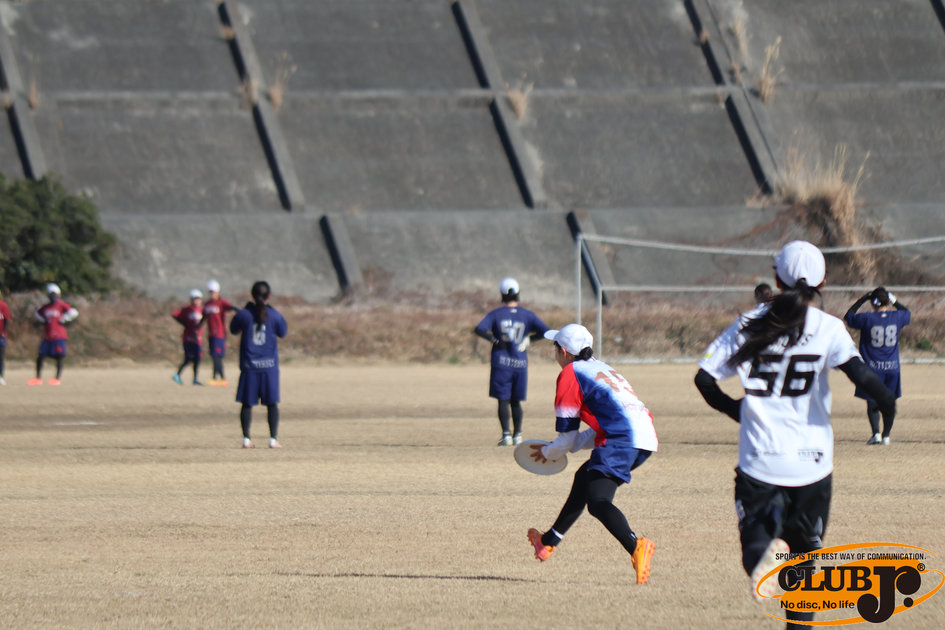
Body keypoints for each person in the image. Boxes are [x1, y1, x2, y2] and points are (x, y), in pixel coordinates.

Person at [694, 241, 896, 629]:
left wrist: (738, 410)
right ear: (823, 281)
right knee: (805, 572)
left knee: (756, 548)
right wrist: (888, 406)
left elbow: (704, 379)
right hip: (813, 467)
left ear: (776, 278)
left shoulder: (749, 323)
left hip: (761, 462)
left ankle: (767, 552)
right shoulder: (828, 327)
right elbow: (865, 378)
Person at [526, 323, 658, 585]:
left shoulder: (570, 374)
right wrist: (567, 446)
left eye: (555, 349)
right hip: (644, 438)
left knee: (598, 502)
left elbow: (566, 436)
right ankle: (548, 542)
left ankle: (637, 546)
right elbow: (596, 428)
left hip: (622, 439)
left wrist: (549, 452)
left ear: (563, 352)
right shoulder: (602, 368)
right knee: (584, 477)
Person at [474, 277, 549, 446]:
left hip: (501, 363)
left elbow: (479, 329)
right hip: (520, 364)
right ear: (518, 293)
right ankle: (518, 435)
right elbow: (546, 331)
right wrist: (529, 339)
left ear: (502, 295)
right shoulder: (527, 315)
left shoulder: (496, 314)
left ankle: (506, 435)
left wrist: (494, 340)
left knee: (503, 399)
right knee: (516, 400)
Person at [844, 286, 910, 445]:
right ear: (887, 301)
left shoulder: (867, 318)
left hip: (872, 367)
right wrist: (893, 300)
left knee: (872, 399)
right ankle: (886, 436)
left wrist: (862, 299)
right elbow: (907, 313)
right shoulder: (897, 317)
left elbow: (849, 316)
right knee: (889, 401)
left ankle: (876, 434)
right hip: (892, 367)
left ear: (872, 303)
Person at [230, 281, 287, 449]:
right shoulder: (274, 315)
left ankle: (246, 438)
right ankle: (273, 439)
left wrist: (245, 310)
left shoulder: (244, 314)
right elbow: (283, 332)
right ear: (269, 295)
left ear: (252, 295)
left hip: (249, 367)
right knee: (272, 404)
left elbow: (233, 329)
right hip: (269, 368)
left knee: (247, 404)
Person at [28, 283, 78, 386]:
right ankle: (38, 378)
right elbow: (37, 313)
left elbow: (74, 312)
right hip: (47, 336)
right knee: (40, 356)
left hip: (59, 336)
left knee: (59, 357)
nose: (52, 296)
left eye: (54, 294)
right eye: (50, 294)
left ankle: (57, 379)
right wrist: (43, 320)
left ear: (58, 295)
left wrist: (64, 319)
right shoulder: (46, 307)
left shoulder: (61, 305)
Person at [202, 279, 238, 386]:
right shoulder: (207, 304)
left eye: (214, 292)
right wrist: (197, 326)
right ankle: (218, 378)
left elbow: (231, 307)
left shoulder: (221, 302)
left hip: (219, 334)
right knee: (214, 356)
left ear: (218, 292)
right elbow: (204, 317)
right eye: (210, 292)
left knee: (217, 356)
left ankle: (219, 378)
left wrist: (240, 312)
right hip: (211, 334)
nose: (212, 294)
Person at [172, 289, 204, 385]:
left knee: (197, 359)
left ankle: (195, 379)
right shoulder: (187, 309)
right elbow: (174, 314)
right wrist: (184, 323)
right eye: (194, 299)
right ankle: (177, 374)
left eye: (198, 299)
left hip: (197, 339)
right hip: (188, 339)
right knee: (188, 358)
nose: (196, 301)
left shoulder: (202, 310)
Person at [0, 289, 11, 386]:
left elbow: (7, 320)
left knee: (0, 357)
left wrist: (3, 333)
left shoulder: (3, 305)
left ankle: (1, 377)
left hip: (1, 336)